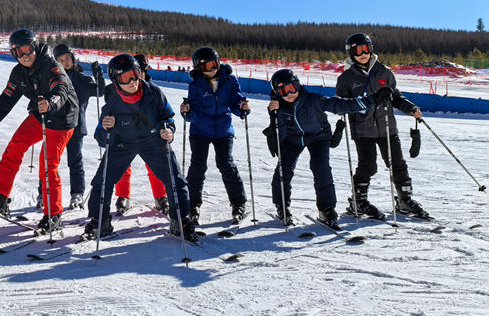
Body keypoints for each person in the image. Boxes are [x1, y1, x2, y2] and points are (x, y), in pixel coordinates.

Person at [0, 30, 78, 233]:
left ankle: (53, 215)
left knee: (47, 163)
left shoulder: (52, 66)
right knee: (15, 146)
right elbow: (4, 103)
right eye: (17, 52)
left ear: (35, 47)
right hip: (40, 115)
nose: (23, 56)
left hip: (62, 118)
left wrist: (52, 103)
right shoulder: (19, 73)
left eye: (27, 49)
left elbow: (61, 90)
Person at [85, 54, 198, 241]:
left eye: (134, 74)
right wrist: (106, 129)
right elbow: (100, 137)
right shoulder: (112, 100)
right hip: (122, 142)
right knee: (102, 180)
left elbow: (168, 116)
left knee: (174, 178)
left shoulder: (153, 93)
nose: (132, 81)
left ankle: (180, 220)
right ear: (116, 81)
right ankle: (100, 221)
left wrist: (168, 130)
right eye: (124, 78)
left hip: (152, 139)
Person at [265, 68, 392, 228]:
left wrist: (372, 99)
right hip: (293, 140)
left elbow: (340, 105)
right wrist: (273, 117)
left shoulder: (313, 100)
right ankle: (281, 206)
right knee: (284, 169)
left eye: (292, 87)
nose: (289, 93)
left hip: (318, 137)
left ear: (298, 85)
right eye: (283, 90)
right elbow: (278, 129)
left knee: (321, 168)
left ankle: (326, 209)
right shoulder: (277, 107)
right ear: (276, 92)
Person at [335, 33, 427, 219]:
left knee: (397, 163)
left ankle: (404, 199)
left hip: (387, 127)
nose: (362, 54)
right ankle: (358, 201)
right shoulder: (346, 78)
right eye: (357, 50)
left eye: (365, 49)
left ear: (371, 49)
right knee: (368, 166)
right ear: (350, 53)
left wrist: (410, 108)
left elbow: (396, 96)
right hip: (363, 129)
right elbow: (341, 104)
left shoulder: (384, 72)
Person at [180, 46, 249, 225]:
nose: (211, 69)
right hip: (200, 130)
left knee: (225, 163)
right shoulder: (195, 84)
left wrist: (241, 108)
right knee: (198, 166)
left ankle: (238, 203)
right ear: (198, 68)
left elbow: (235, 102)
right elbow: (193, 111)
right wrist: (187, 112)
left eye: (214, 64)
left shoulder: (230, 81)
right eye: (206, 66)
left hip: (223, 130)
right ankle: (192, 205)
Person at [38, 43, 105, 210]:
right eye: (61, 59)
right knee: (50, 161)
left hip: (76, 125)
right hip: (56, 126)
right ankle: (44, 192)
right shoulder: (52, 79)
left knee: (75, 161)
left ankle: (77, 194)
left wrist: (99, 75)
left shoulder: (82, 80)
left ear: (73, 59)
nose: (65, 62)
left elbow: (100, 91)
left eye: (67, 58)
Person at [112, 54, 169, 215]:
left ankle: (161, 196)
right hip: (127, 134)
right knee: (123, 165)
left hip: (149, 135)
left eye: (142, 72)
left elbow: (164, 113)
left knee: (155, 165)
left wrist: (163, 129)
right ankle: (123, 196)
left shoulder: (153, 91)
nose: (138, 76)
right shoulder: (122, 90)